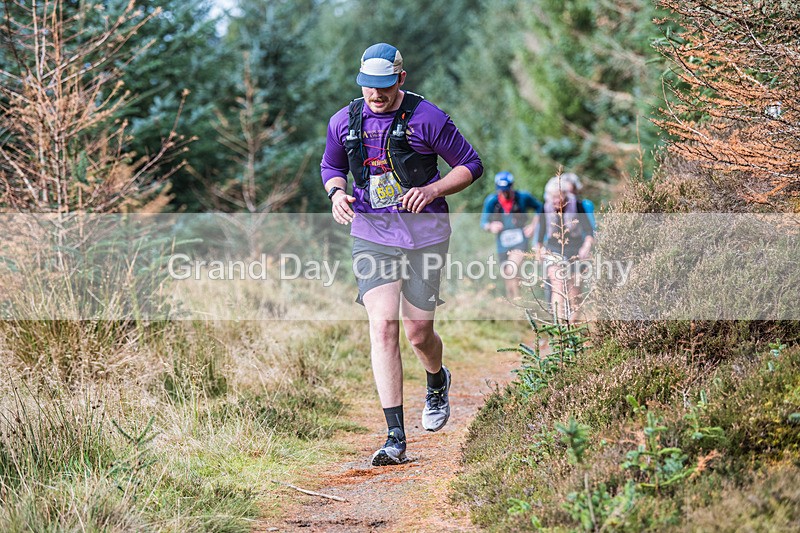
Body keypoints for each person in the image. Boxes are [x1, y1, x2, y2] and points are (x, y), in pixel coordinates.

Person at [320, 43, 483, 466]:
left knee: (417, 333)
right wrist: (337, 194)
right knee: (383, 326)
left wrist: (431, 189)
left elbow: (470, 164)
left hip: (425, 233)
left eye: (384, 87)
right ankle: (395, 436)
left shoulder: (428, 118)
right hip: (371, 232)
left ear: (401, 79)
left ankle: (436, 379)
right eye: (368, 86)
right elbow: (330, 167)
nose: (376, 95)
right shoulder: (345, 120)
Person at [535, 176, 594, 321]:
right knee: (558, 285)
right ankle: (559, 326)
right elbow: (540, 234)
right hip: (554, 249)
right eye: (553, 198)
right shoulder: (545, 207)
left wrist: (587, 246)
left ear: (566, 195)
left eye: (559, 197)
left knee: (574, 291)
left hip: (575, 250)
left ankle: (572, 325)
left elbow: (589, 231)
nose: (557, 202)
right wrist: (539, 251)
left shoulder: (577, 205)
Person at [480, 171, 541, 300]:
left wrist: (533, 226)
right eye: (501, 190)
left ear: (512, 186)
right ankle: (514, 304)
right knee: (507, 275)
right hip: (502, 244)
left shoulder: (523, 197)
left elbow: (541, 208)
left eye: (507, 189)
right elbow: (484, 223)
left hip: (520, 241)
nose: (504, 193)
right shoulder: (491, 201)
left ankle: (519, 301)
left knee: (511, 269)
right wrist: (491, 226)